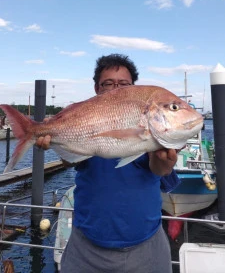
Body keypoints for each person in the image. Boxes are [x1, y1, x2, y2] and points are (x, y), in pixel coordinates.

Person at [37, 54, 179, 273]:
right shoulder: (86, 115)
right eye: (108, 84)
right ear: (96, 88)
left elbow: (159, 170)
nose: (116, 89)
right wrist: (53, 138)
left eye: (123, 84)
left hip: (146, 243)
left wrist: (166, 162)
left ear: (133, 87)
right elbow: (69, 161)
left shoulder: (150, 122)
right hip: (87, 245)